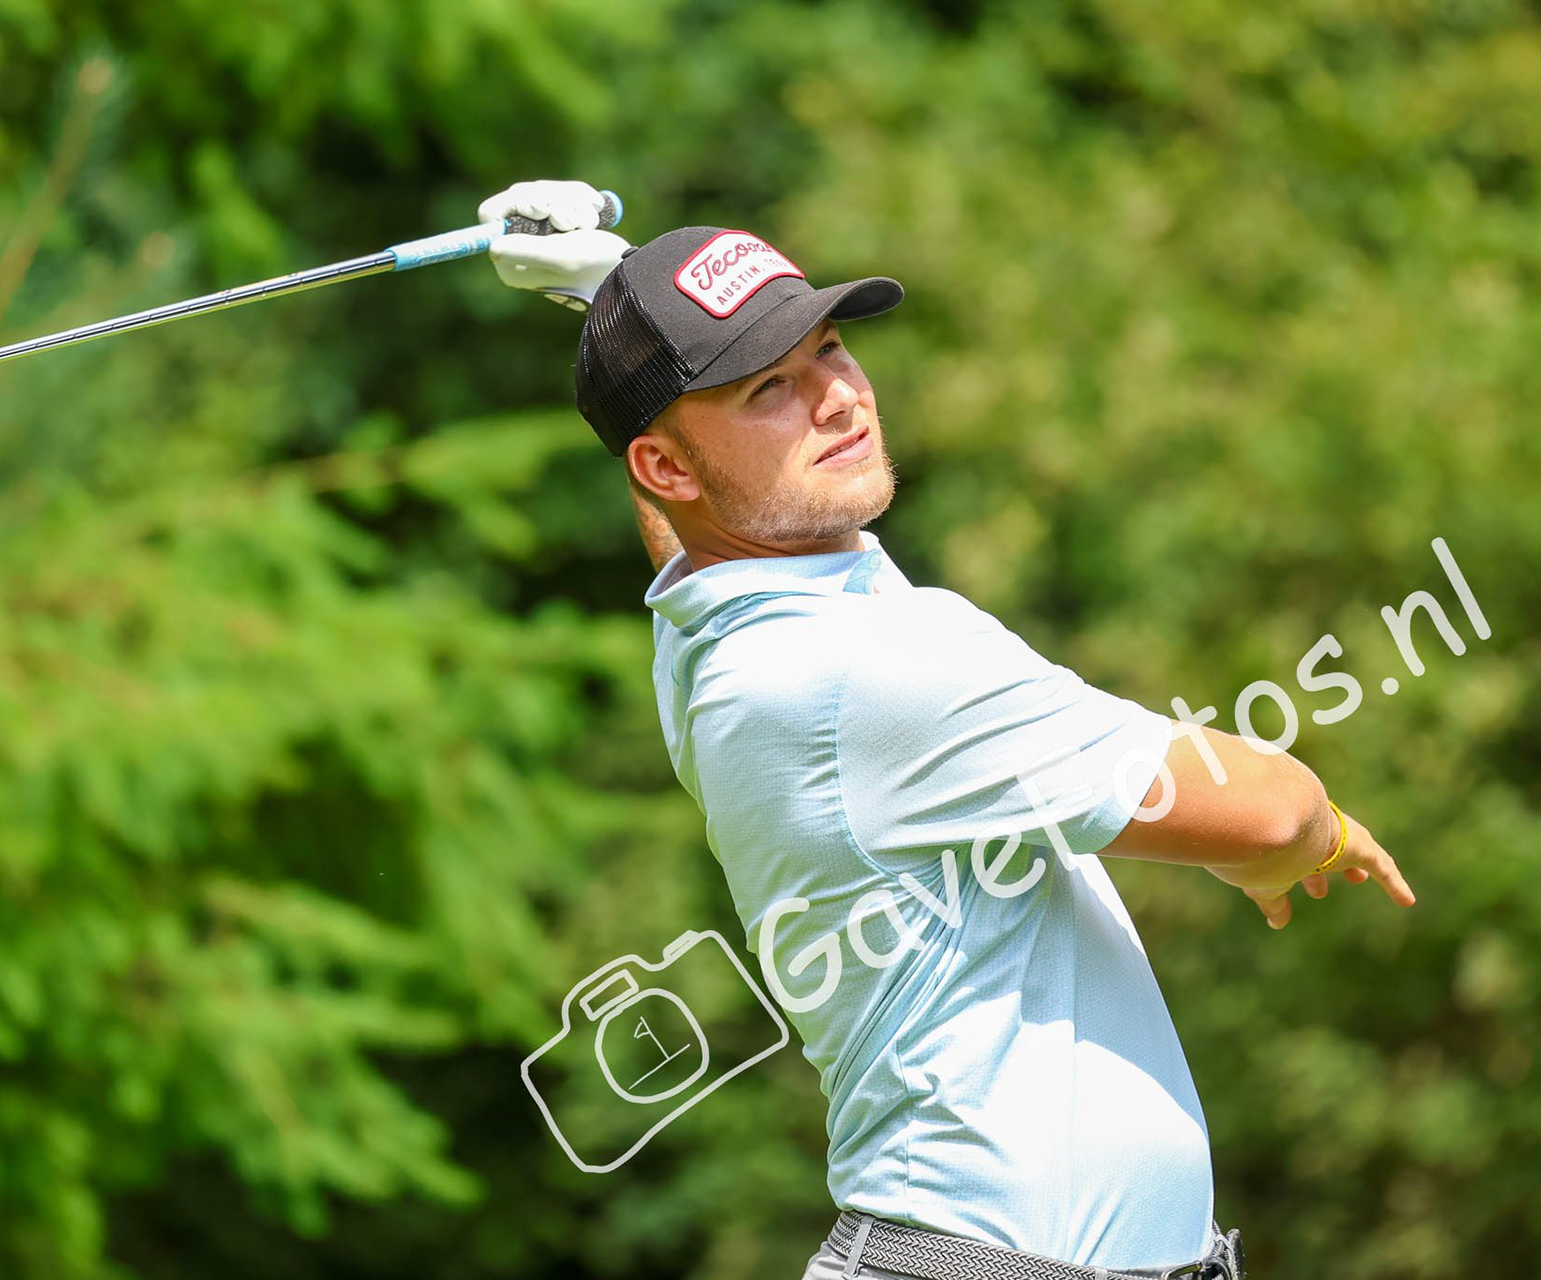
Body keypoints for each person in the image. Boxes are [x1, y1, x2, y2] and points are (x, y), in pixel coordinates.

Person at [480, 181, 1416, 1280]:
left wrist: (614, 294)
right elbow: (1270, 807)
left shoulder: (724, 626)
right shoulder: (874, 665)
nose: (837, 397)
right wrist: (1321, 832)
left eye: (827, 346)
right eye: (768, 387)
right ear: (669, 467)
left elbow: (683, 512)